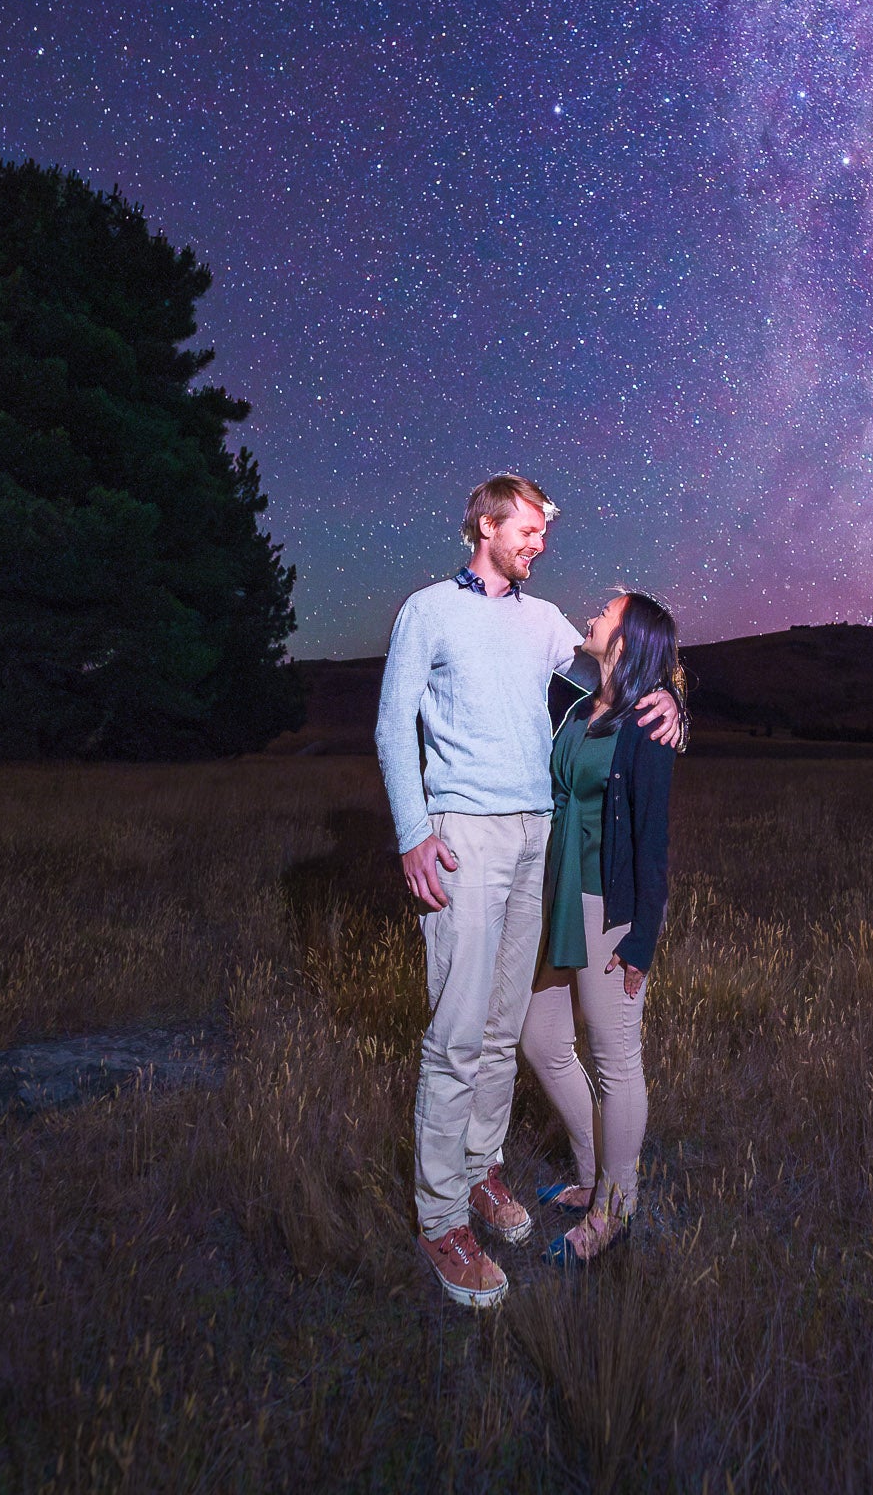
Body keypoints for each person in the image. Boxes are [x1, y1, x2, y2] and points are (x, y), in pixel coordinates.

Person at [375, 475, 682, 1309]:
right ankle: (440, 1217)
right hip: (465, 833)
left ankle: (481, 1173)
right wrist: (414, 830)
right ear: (486, 523)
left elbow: (628, 670)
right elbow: (391, 721)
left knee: (506, 1023)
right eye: (530, 530)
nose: (540, 544)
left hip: (539, 841)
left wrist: (671, 700)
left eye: (544, 533)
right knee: (457, 1030)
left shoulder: (543, 621)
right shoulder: (428, 610)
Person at [520, 590, 682, 1265]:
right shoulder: (579, 705)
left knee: (617, 1064)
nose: (591, 614)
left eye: (605, 612)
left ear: (625, 639)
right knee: (541, 1037)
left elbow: (653, 843)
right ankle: (592, 1175)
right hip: (554, 898)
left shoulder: (648, 723)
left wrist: (642, 939)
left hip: (605, 908)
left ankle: (615, 1207)